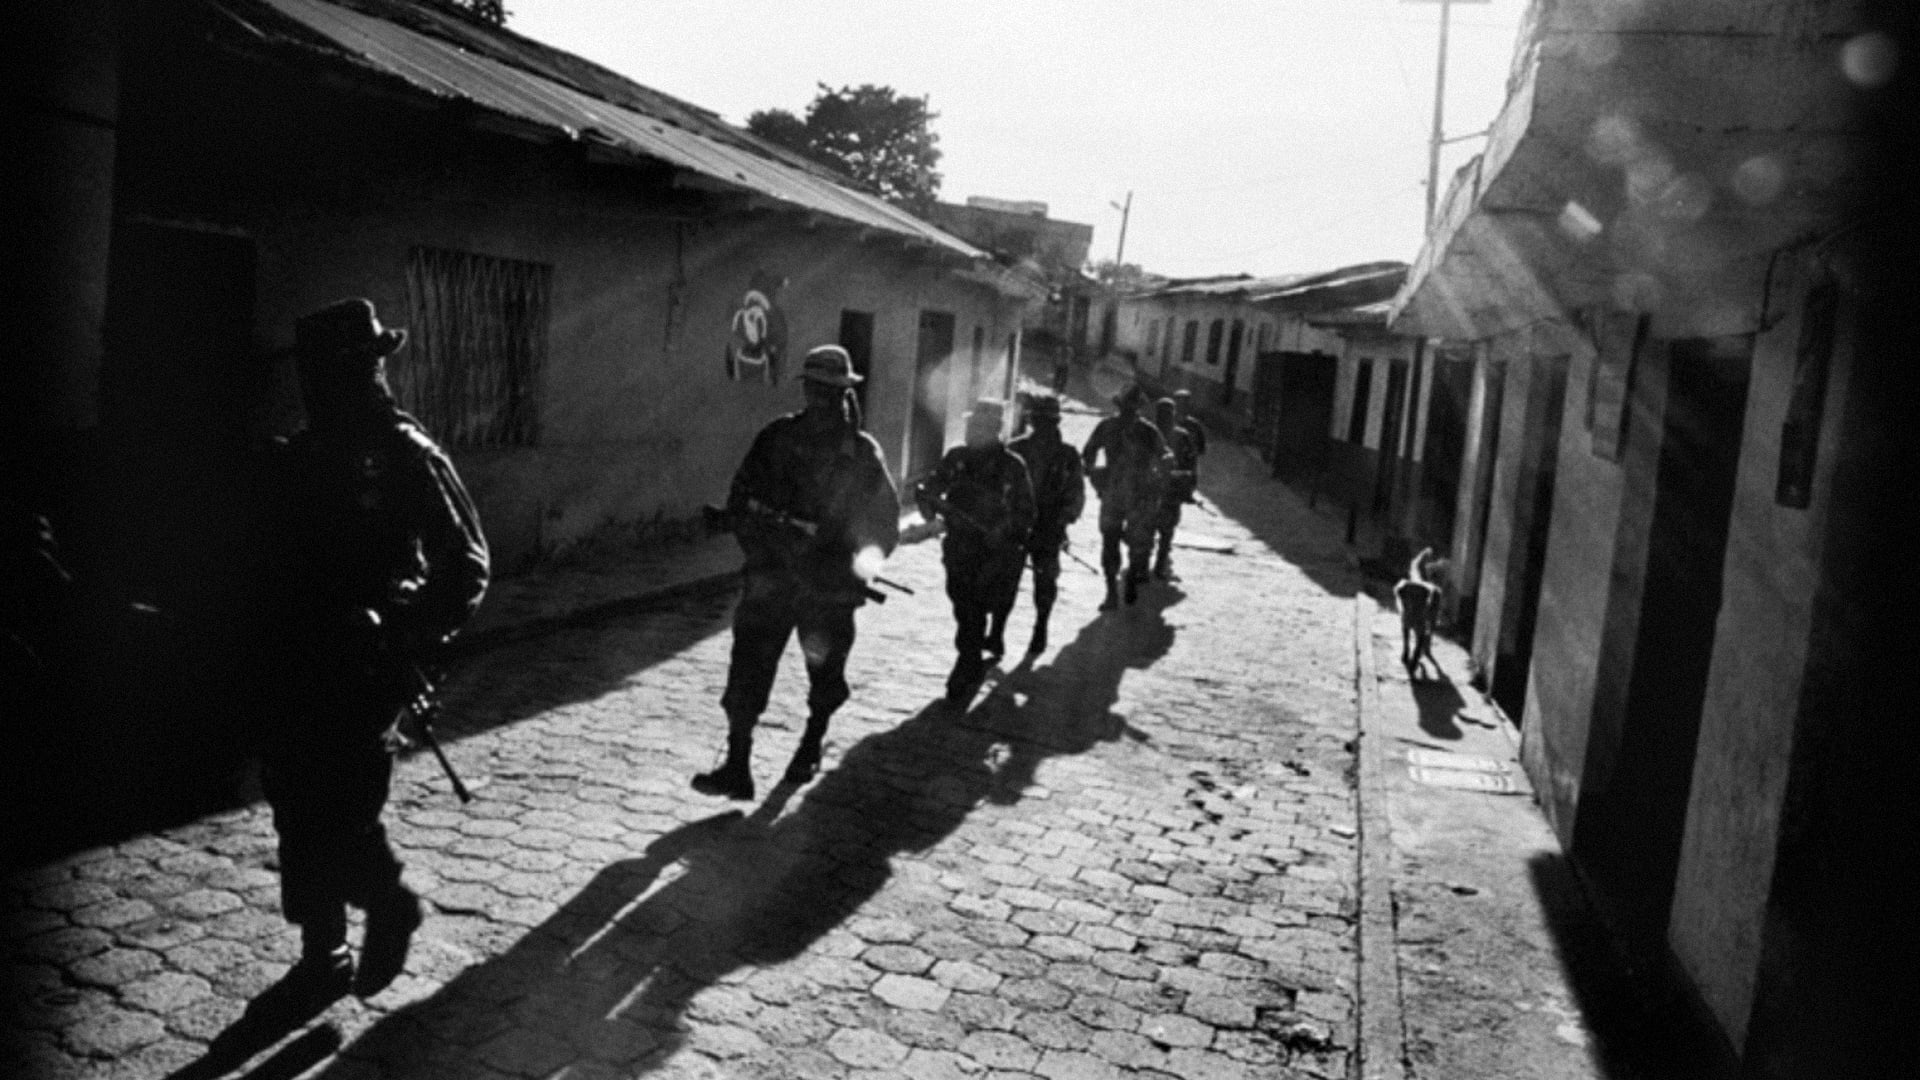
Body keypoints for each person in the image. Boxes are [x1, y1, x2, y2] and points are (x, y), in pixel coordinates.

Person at [259, 298, 490, 1007]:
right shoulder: (300, 454)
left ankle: (388, 904)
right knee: (295, 802)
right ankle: (323, 952)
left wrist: (402, 624)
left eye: (334, 371)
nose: (318, 385)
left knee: (341, 807)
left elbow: (467, 564)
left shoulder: (405, 453)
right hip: (298, 658)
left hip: (368, 662)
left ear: (365, 370)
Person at [694, 345, 900, 801]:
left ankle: (811, 742)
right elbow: (741, 496)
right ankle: (737, 765)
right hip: (772, 577)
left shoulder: (860, 452)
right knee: (747, 670)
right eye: (814, 389)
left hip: (827, 588)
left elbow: (883, 523)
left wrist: (855, 568)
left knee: (824, 674)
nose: (820, 399)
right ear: (805, 389)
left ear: (844, 393)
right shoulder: (777, 437)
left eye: (830, 391)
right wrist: (765, 544)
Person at [916, 399, 1035, 703]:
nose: (972, 430)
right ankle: (969, 654)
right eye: (971, 425)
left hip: (993, 552)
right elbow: (935, 483)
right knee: (961, 602)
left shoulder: (1012, 466)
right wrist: (927, 497)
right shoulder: (957, 457)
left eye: (979, 426)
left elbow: (1025, 511)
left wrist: (1003, 529)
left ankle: (966, 663)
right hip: (958, 547)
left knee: (976, 606)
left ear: (994, 429)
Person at [1007, 392, 1085, 656]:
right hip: (1015, 525)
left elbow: (1076, 493)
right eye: (1039, 421)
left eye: (1047, 422)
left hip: (1048, 526)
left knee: (1045, 581)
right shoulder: (1016, 450)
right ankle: (997, 630)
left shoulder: (1068, 456)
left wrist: (1063, 520)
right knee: (1004, 579)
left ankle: (1041, 626)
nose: (1042, 427)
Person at [1080, 385, 1169, 610]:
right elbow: (1088, 453)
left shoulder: (1148, 431)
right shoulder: (1107, 427)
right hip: (1117, 493)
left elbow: (1165, 454)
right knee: (1110, 541)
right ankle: (1111, 591)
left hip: (1137, 494)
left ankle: (1129, 580)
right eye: (1127, 407)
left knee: (1138, 545)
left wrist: (1164, 466)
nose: (1130, 412)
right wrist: (1094, 475)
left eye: (1133, 408)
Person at [1151, 397, 1202, 581]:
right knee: (1166, 531)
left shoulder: (1148, 431)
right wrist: (1189, 488)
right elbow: (1192, 463)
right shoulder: (1180, 435)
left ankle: (1147, 564)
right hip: (1166, 491)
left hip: (1155, 491)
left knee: (1153, 529)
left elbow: (1191, 463)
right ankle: (1159, 565)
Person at [1171, 388, 1209, 456]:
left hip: (1187, 463)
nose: (1182, 406)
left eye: (1185, 403)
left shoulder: (1195, 425)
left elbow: (1201, 448)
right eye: (1180, 402)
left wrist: (1191, 452)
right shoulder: (1168, 421)